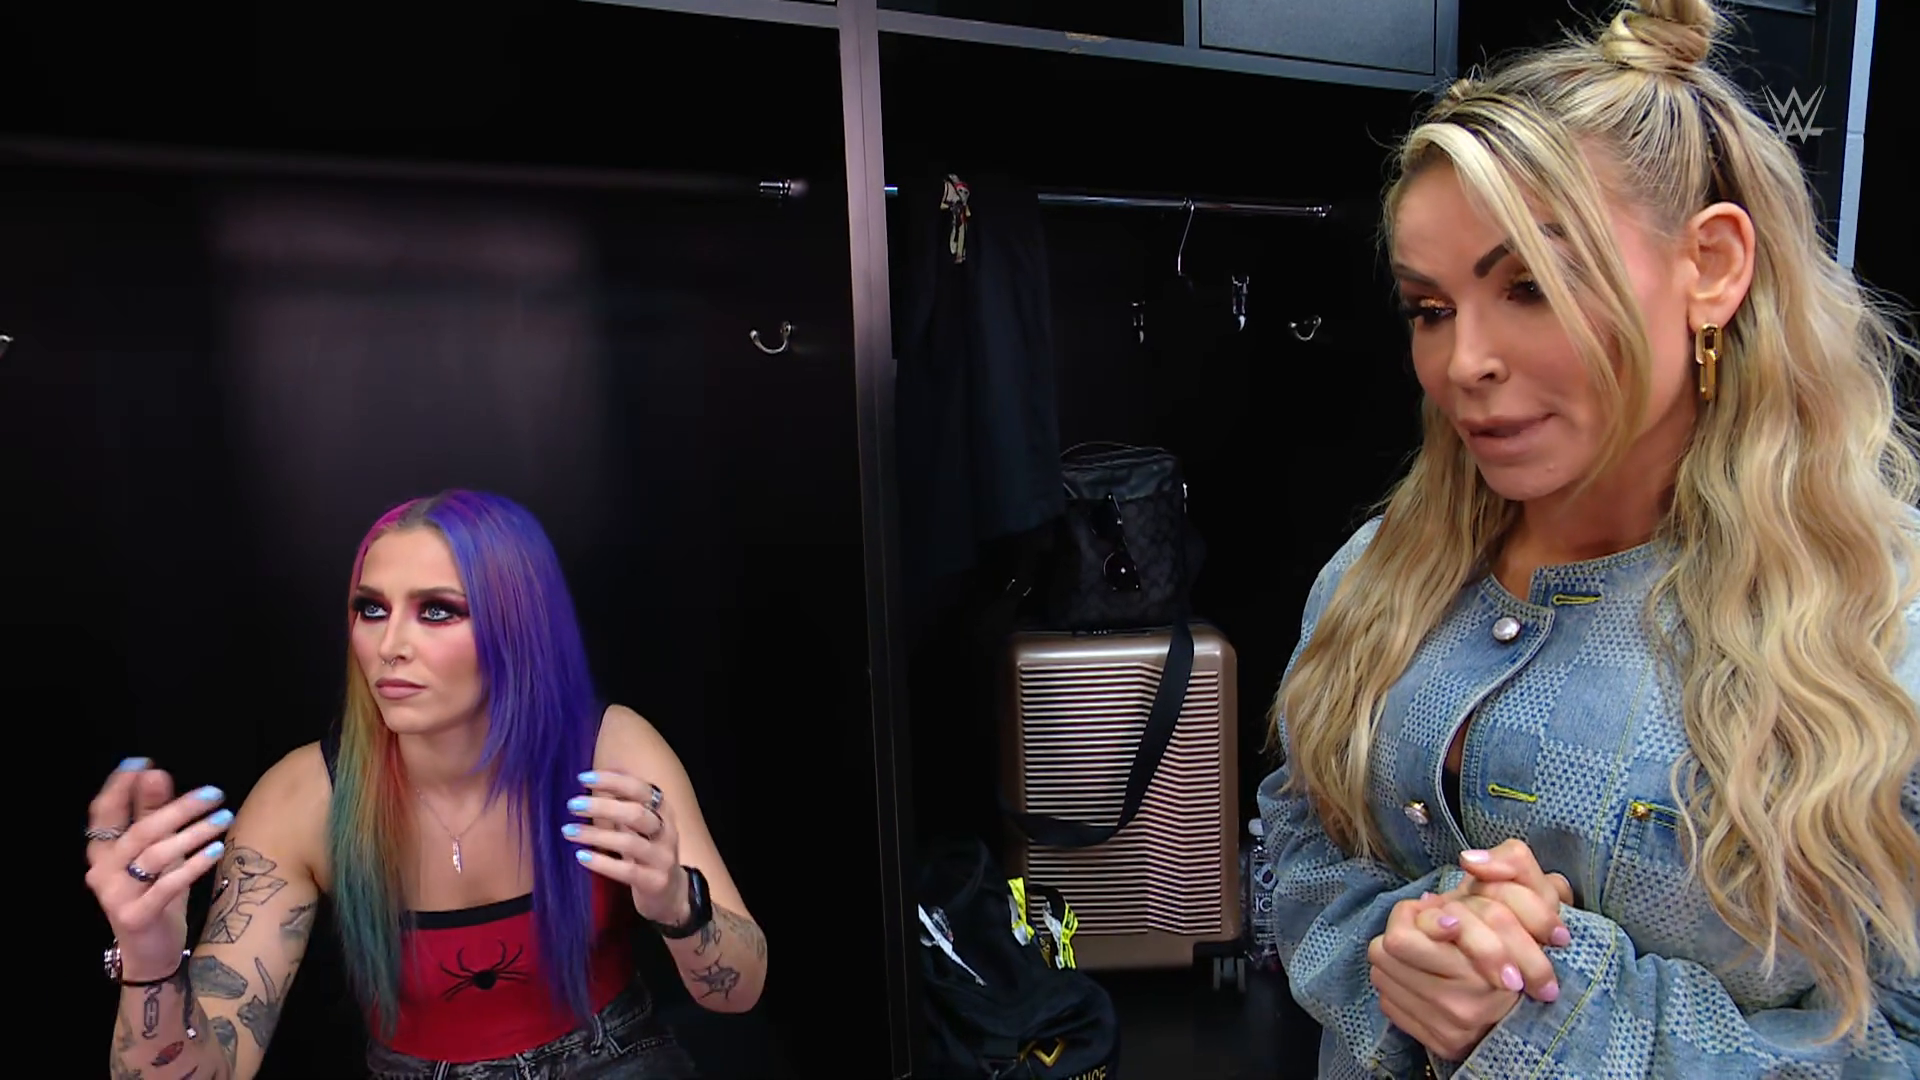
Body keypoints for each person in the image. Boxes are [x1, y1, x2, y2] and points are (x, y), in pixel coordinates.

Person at [1254, 1, 1920, 1077]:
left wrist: (1543, 1013)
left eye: (1532, 286)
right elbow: (1298, 842)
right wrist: (1414, 950)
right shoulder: (1377, 575)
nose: (1464, 361)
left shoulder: (1888, 631)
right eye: (1431, 308)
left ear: (1711, 267)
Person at [87, 490, 769, 1079]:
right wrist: (151, 960)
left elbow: (737, 992)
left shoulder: (610, 753)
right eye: (371, 609)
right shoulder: (306, 800)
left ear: (518, 627)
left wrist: (679, 904)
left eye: (437, 611)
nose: (390, 646)